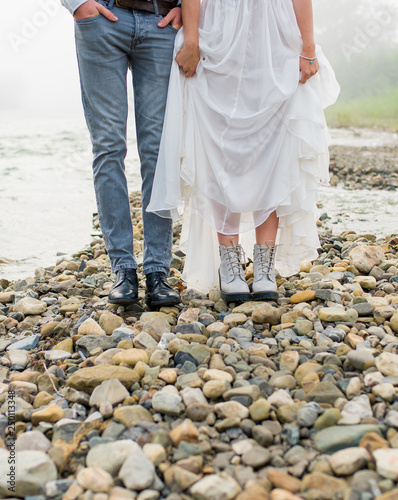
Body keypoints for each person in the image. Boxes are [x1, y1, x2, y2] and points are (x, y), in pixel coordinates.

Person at [147, 0, 340, 301]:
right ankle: (229, 260)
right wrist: (193, 39)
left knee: (275, 143)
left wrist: (309, 46)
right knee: (220, 144)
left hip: (274, 30)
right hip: (219, 28)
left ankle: (265, 263)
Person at [61, 0, 182, 308]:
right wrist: (77, 4)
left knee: (157, 151)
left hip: (161, 23)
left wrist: (186, 9)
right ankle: (123, 269)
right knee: (108, 146)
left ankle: (158, 270)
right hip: (102, 18)